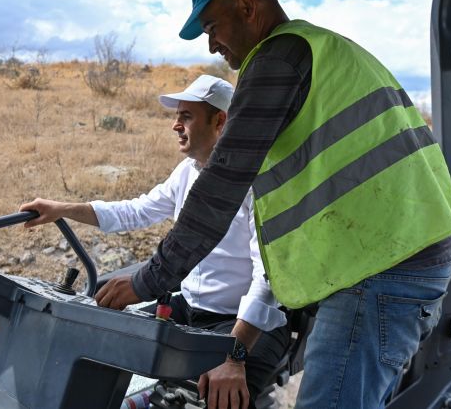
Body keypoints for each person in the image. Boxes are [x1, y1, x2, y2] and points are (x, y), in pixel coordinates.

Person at [95, 0, 451, 408]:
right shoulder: (321, 49)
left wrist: (148, 280)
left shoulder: (278, 58)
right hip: (393, 260)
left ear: (248, 6)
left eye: (213, 26)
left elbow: (219, 190)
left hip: (381, 272)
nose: (213, 44)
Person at [20, 74, 290, 407]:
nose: (176, 124)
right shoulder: (187, 171)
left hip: (244, 325)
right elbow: (136, 211)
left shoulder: (259, 184)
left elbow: (269, 279)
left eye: (186, 116)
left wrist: (233, 354)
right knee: (98, 338)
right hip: (189, 311)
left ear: (220, 121)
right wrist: (62, 209)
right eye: (177, 116)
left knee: (217, 398)